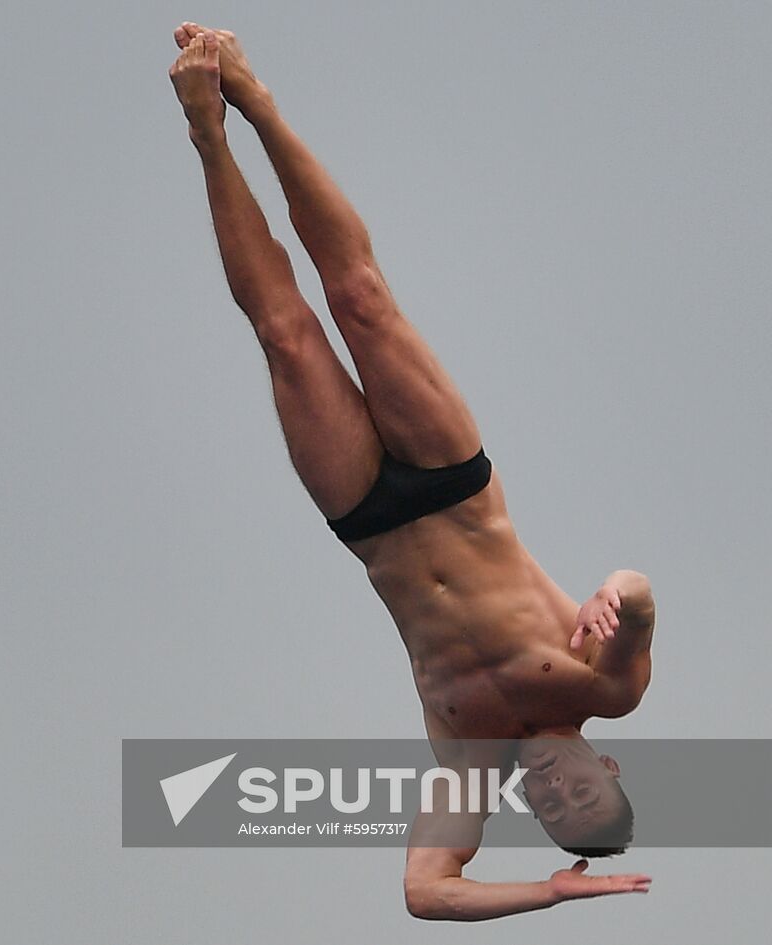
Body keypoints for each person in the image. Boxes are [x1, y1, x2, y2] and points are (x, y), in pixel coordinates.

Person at [167, 23, 656, 920]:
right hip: (454, 486)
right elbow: (642, 591)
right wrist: (612, 597)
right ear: (605, 762)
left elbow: (425, 892)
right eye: (582, 792)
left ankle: (208, 136)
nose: (557, 792)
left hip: (369, 522)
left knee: (285, 335)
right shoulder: (607, 685)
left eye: (552, 811)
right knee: (358, 297)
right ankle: (257, 102)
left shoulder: (469, 767)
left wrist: (544, 893)